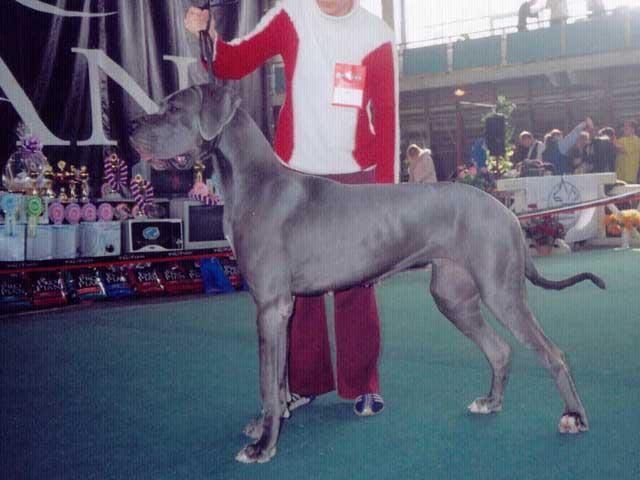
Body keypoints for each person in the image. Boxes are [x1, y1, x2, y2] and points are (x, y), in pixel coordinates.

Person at [185, 0, 398, 417]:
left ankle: (362, 384)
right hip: (294, 176)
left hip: (354, 178)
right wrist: (206, 35)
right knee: (297, 289)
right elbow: (232, 62)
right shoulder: (290, 15)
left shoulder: (378, 34)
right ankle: (305, 383)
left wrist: (387, 196)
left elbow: (388, 116)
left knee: (357, 285)